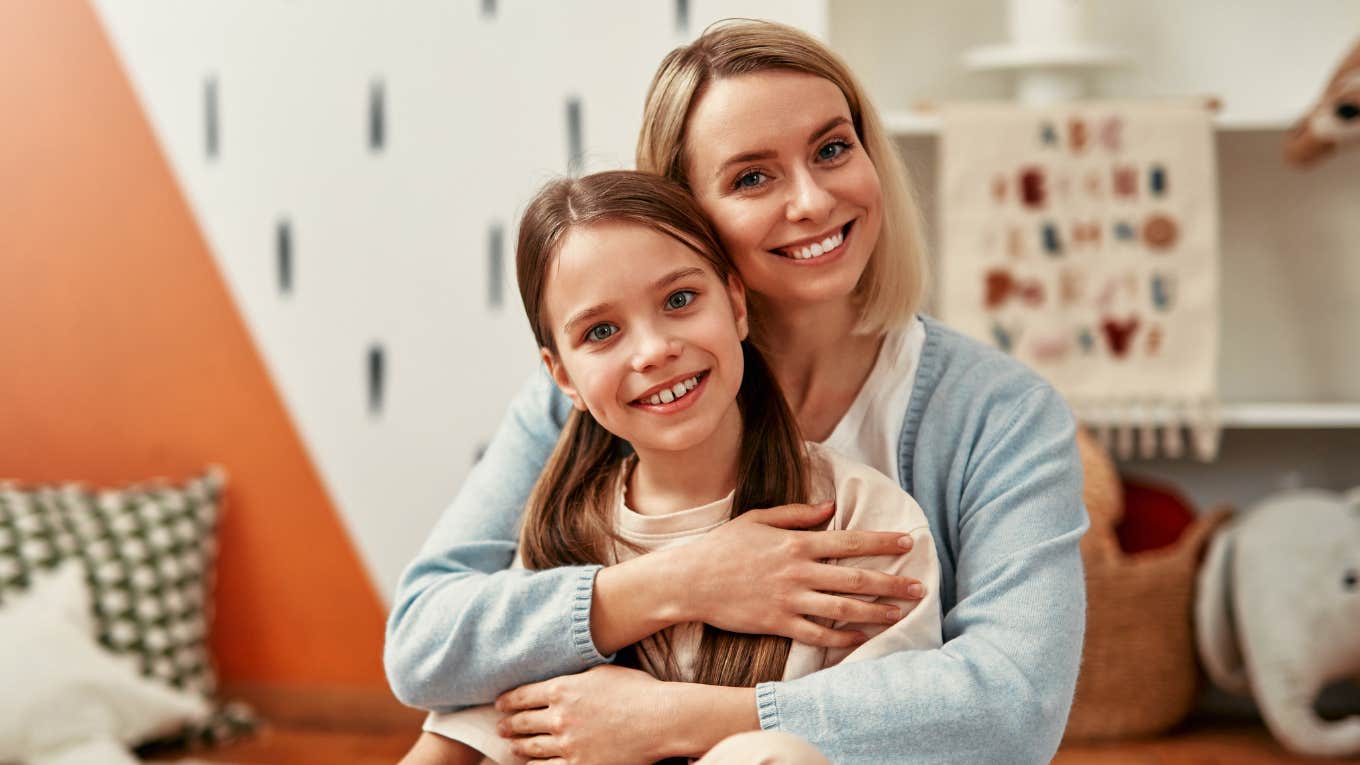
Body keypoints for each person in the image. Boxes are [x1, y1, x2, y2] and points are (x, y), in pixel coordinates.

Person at [385, 18, 1088, 765]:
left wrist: (676, 718)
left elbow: (1015, 706)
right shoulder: (593, 400)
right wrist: (682, 580)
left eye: (832, 149)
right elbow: (428, 642)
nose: (813, 200)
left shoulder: (997, 414)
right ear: (684, 214)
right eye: (753, 177)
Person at [405, 170, 941, 764]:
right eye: (602, 331)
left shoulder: (864, 522)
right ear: (562, 379)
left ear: (736, 305)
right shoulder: (557, 541)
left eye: (679, 300)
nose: (653, 349)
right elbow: (466, 722)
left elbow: (891, 732)